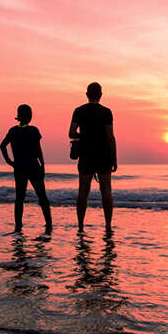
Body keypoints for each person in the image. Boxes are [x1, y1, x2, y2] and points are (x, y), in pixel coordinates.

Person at [69, 82, 117, 231]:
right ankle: (108, 225)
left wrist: (83, 136)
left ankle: (81, 225)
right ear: (100, 95)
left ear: (87, 94)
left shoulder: (79, 110)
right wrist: (114, 158)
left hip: (85, 154)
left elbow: (71, 133)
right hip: (103, 155)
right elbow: (110, 137)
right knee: (106, 190)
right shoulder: (106, 112)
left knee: (83, 190)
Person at [0, 104, 52, 233]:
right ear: (29, 116)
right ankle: (49, 223)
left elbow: (2, 146)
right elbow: (38, 149)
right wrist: (43, 165)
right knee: (42, 196)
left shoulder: (13, 131)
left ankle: (18, 226)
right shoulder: (33, 130)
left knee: (20, 198)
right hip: (33, 166)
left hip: (19, 167)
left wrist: (9, 161)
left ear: (18, 116)